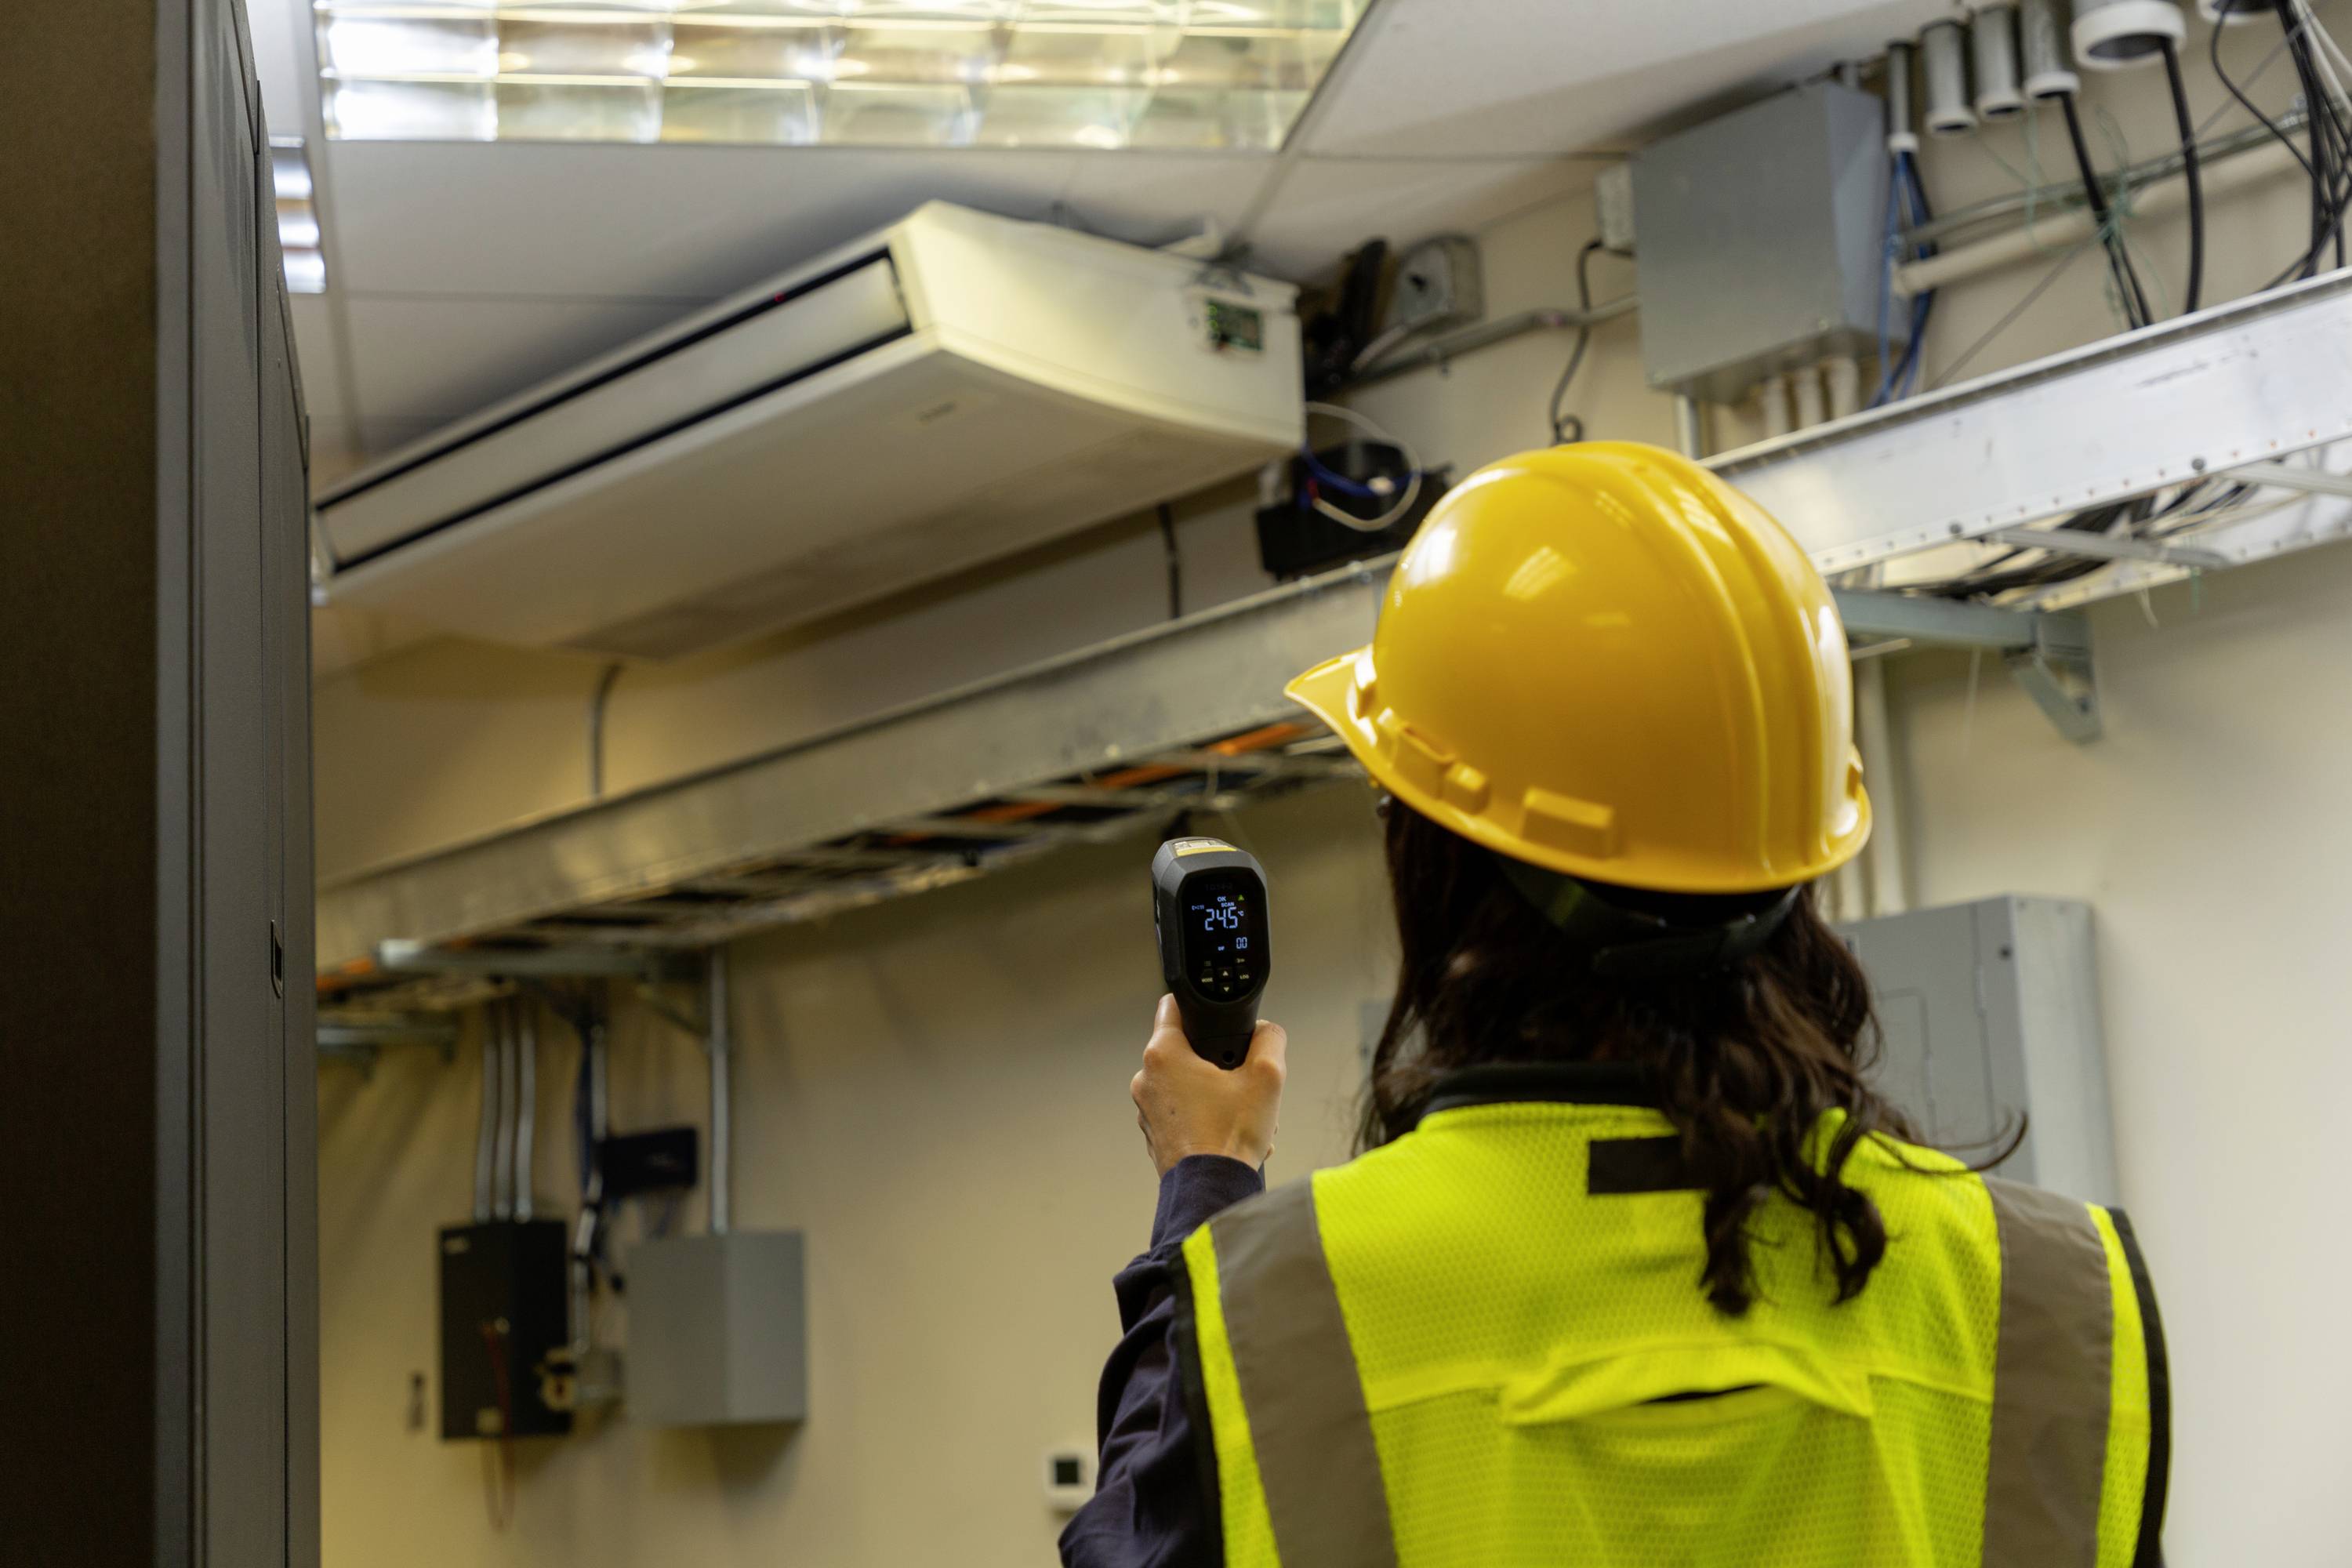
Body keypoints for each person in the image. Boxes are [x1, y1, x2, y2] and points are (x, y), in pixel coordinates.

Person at [1059, 441, 2167, 1568]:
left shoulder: (1290, 1306)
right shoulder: (2051, 1294)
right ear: (1797, 853)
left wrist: (1206, 1194)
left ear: (1436, 864)